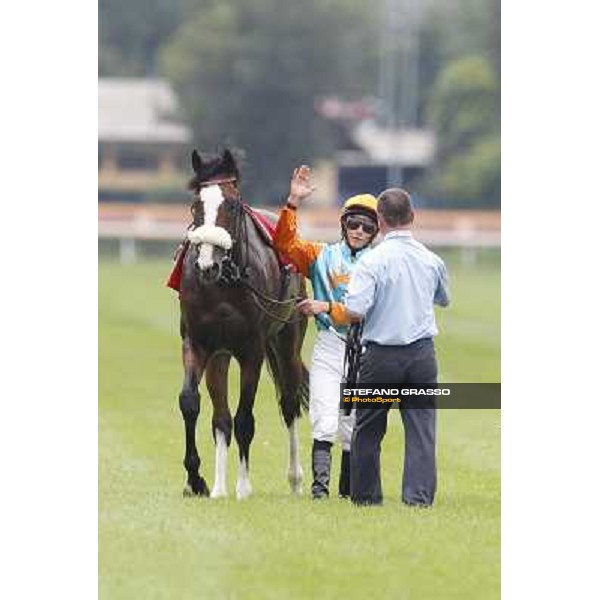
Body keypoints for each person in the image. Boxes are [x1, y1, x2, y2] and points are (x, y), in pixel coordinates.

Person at [273, 166, 379, 499]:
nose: (359, 231)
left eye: (367, 226)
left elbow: (367, 311)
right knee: (325, 421)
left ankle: (347, 494)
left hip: (368, 351)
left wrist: (324, 307)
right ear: (343, 224)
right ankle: (320, 494)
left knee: (352, 429)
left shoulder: (383, 262)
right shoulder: (322, 254)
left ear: (376, 231)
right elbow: (284, 244)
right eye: (353, 223)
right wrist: (293, 203)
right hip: (331, 346)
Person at [345, 188, 450, 507]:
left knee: (369, 428)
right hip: (421, 355)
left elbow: (356, 311)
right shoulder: (432, 260)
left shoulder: (372, 261)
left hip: (381, 357)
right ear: (412, 216)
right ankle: (418, 499)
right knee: (421, 429)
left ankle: (366, 498)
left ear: (379, 220)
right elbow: (443, 299)